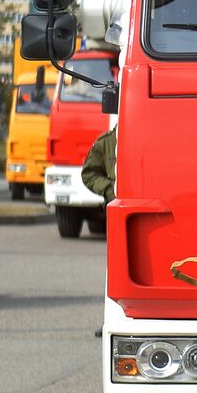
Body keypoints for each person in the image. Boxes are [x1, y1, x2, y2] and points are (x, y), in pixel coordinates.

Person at [82, 127, 116, 336]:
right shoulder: (107, 142)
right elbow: (89, 173)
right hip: (117, 213)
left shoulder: (150, 136)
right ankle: (112, 320)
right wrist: (109, 189)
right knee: (115, 270)